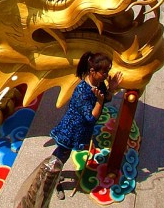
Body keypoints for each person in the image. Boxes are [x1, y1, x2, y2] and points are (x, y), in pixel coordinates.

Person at [49, 52, 123, 200]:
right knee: (61, 155)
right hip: (71, 130)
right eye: (104, 72)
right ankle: (52, 180)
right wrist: (99, 102)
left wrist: (111, 89)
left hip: (82, 130)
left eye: (107, 71)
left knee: (62, 154)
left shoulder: (98, 83)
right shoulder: (82, 91)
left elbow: (105, 98)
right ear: (92, 71)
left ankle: (54, 172)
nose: (106, 75)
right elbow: (90, 117)